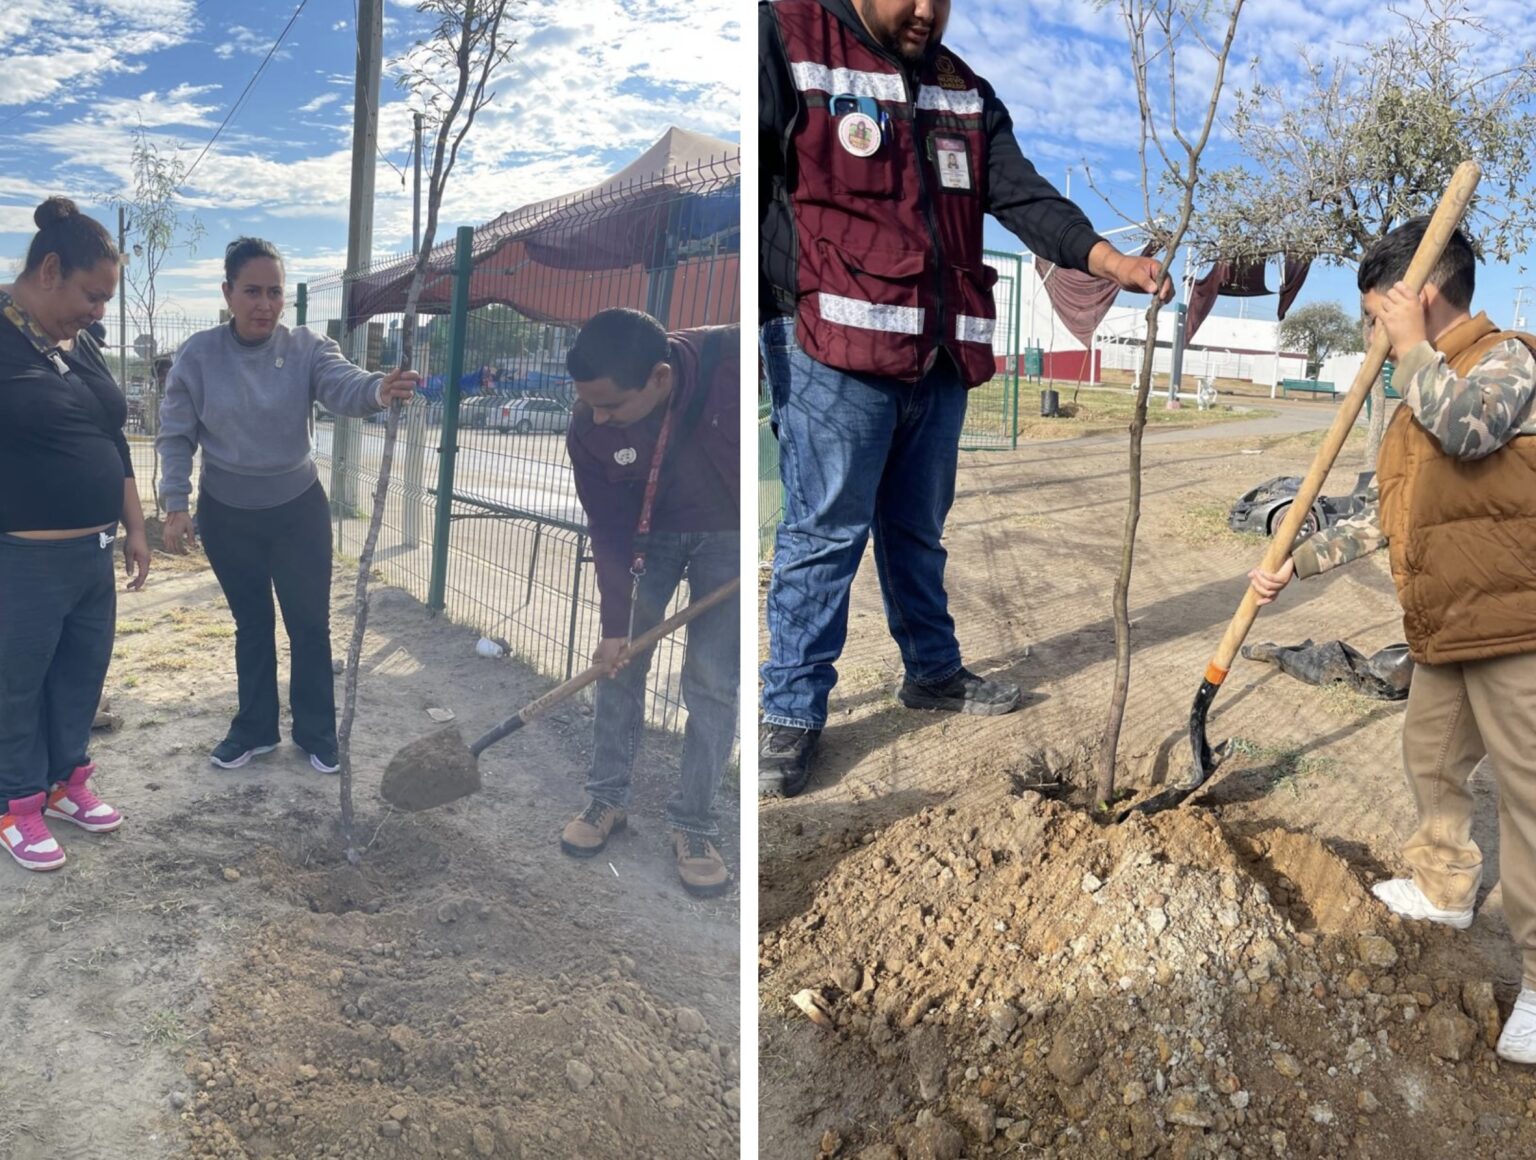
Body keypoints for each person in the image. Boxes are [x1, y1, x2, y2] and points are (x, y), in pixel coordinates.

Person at [758, 0, 1172, 796]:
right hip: (831, 350)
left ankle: (933, 673)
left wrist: (1106, 260)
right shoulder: (791, 37)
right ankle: (792, 712)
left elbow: (1021, 195)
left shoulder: (962, 90)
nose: (927, 11)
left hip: (938, 355)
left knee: (918, 528)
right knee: (825, 535)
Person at [1248, 217, 1536, 1064]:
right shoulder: (1415, 396)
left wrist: (1411, 349)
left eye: (1379, 315)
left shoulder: (1508, 361)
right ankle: (1447, 888)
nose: (1373, 334)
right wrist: (1298, 565)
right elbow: (1385, 510)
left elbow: (1473, 430)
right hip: (1445, 625)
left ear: (1423, 299)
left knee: (1528, 804)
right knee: (1434, 762)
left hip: (1517, 624)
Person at [157, 238, 419, 774]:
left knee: (309, 624)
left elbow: (342, 384)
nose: (265, 304)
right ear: (227, 292)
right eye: (252, 291)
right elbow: (176, 434)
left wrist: (379, 390)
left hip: (297, 511)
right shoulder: (199, 355)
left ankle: (317, 732)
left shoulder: (306, 347)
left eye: (275, 292)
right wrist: (176, 503)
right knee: (252, 624)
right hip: (227, 514)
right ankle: (255, 729)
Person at [559, 309, 739, 898]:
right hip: (646, 539)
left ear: (659, 379)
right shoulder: (588, 427)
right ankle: (606, 799)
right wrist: (615, 626)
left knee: (712, 681)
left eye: (610, 405)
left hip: (728, 537)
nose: (597, 417)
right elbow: (606, 530)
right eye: (589, 404)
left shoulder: (732, 360)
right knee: (619, 666)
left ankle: (693, 823)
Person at [0, 197, 149, 871]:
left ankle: (65, 784)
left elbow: (111, 435)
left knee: (80, 679)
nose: (100, 313)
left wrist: (134, 527)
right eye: (93, 295)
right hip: (23, 558)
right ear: (50, 269)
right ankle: (15, 805)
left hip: (93, 556)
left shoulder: (75, 343)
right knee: (16, 684)